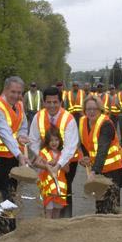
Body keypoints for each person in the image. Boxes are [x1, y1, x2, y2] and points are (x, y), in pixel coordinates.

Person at [29, 86, 79, 218]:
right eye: (49, 102)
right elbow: (33, 140)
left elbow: (70, 146)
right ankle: (47, 219)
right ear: (44, 102)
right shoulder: (38, 117)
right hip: (45, 161)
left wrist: (58, 164)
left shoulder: (68, 119)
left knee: (63, 189)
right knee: (46, 190)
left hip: (66, 162)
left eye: (55, 102)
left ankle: (65, 220)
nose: (52, 105)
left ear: (61, 102)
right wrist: (44, 160)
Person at [0, 76, 29, 234]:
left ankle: (8, 224)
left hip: (13, 157)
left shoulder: (19, 105)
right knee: (3, 192)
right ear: (5, 90)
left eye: (19, 92)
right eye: (13, 91)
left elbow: (23, 125)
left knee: (11, 190)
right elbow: (5, 134)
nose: (16, 95)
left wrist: (22, 135)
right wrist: (20, 155)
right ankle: (5, 228)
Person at [79, 95, 122, 214]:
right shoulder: (83, 122)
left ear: (100, 109)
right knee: (100, 203)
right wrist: (85, 156)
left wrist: (94, 172)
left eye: (95, 109)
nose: (92, 112)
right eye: (89, 109)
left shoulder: (106, 124)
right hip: (98, 168)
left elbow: (102, 149)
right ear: (84, 110)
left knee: (112, 204)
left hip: (112, 169)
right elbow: (84, 143)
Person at [36, 127, 68, 219]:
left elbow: (67, 169)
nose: (54, 143)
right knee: (48, 210)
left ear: (60, 140)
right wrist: (46, 166)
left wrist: (58, 163)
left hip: (60, 189)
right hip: (48, 188)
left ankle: (55, 231)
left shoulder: (63, 154)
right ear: (47, 141)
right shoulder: (44, 152)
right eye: (51, 140)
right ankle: (47, 231)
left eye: (56, 140)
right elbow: (36, 163)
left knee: (57, 211)